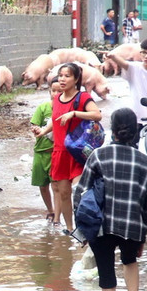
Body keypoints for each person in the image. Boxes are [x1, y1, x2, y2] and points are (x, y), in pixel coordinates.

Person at [73, 108, 147, 291]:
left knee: (107, 280)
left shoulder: (98, 155)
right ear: (134, 131)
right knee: (130, 261)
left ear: (113, 130)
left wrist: (82, 231)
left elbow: (81, 193)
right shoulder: (144, 161)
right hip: (132, 224)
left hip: (101, 227)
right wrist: (142, 237)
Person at [35, 63, 103, 234]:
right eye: (61, 75)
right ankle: (71, 229)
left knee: (79, 192)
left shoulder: (83, 97)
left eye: (67, 76)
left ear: (76, 79)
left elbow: (97, 114)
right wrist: (43, 131)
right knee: (64, 193)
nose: (63, 79)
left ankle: (85, 226)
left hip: (78, 152)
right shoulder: (57, 99)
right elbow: (55, 119)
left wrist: (74, 113)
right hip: (60, 151)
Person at [106, 38, 147, 126]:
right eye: (143, 52)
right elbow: (124, 64)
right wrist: (113, 56)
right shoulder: (135, 68)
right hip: (133, 119)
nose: (146, 56)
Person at [30, 78, 62, 224]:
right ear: (49, 91)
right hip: (40, 151)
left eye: (59, 91)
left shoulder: (65, 110)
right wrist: (36, 129)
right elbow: (34, 125)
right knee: (42, 185)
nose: (56, 94)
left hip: (55, 152)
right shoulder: (43, 108)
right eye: (53, 90)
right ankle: (50, 210)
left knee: (56, 185)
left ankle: (57, 217)